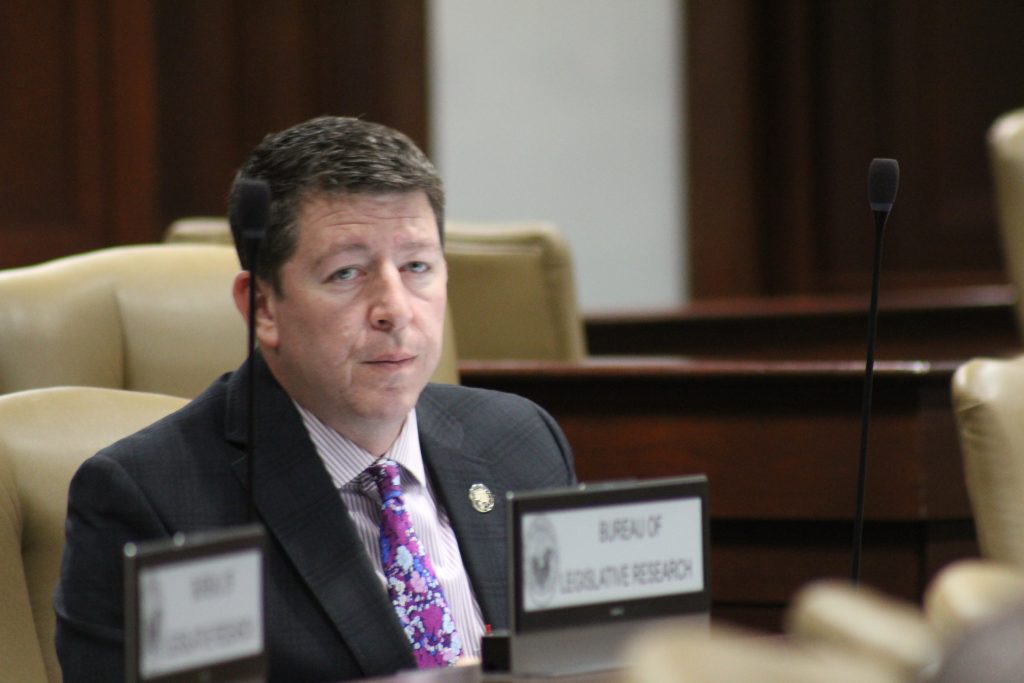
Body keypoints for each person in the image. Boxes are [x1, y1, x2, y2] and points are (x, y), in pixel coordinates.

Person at [54, 116, 576, 682]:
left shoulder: (520, 442)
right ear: (263, 307)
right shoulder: (151, 500)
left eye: (417, 267)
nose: (394, 308)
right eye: (346, 273)